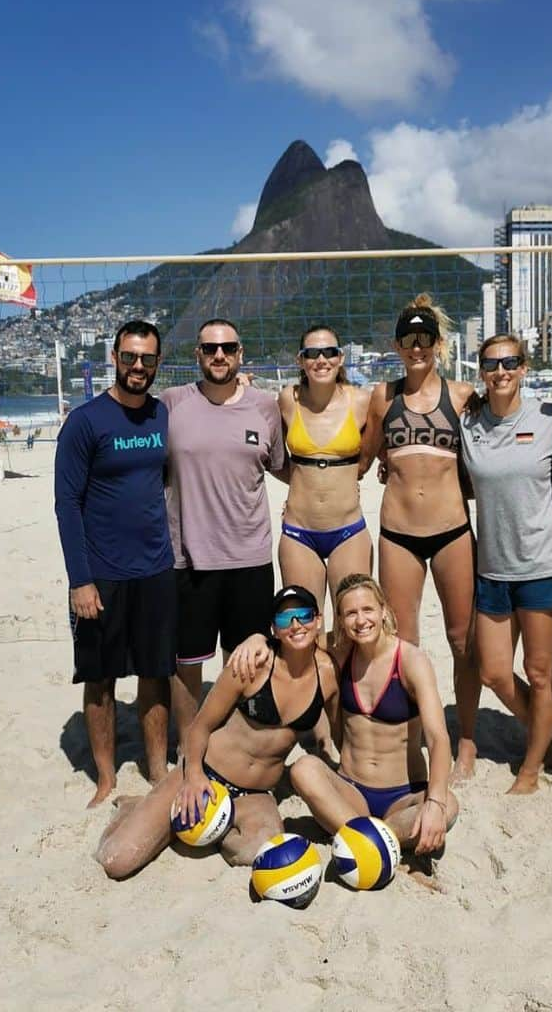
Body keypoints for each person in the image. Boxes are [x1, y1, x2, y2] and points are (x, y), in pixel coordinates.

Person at [94, 587, 339, 878]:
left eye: (303, 616)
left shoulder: (328, 674)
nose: (296, 625)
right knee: (117, 862)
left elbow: (343, 733)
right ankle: (132, 808)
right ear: (273, 628)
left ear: (319, 620)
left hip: (256, 793)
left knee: (262, 851)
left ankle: (210, 829)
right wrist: (194, 776)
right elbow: (201, 726)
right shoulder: (252, 665)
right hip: (205, 773)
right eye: (285, 619)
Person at [231, 574, 457, 856]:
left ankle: (366, 841)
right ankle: (378, 844)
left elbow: (437, 738)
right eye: (350, 613)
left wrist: (434, 803)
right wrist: (258, 639)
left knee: (448, 805)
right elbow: (295, 636)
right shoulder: (340, 652)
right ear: (340, 620)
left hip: (403, 795)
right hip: (351, 792)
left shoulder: (411, 661)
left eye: (367, 610)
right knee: (303, 769)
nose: (360, 621)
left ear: (383, 610)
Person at [54, 320, 175, 807]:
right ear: (115, 358)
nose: (138, 367)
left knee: (154, 673)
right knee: (100, 680)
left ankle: (157, 766)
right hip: (101, 575)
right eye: (129, 357)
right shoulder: (85, 422)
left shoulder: (162, 416)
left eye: (147, 359)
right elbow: (67, 505)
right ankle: (105, 777)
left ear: (157, 363)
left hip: (156, 569)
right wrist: (80, 581)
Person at [361, 295, 479, 779]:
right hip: (399, 534)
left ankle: (466, 738)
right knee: (404, 642)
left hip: (452, 531)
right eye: (408, 338)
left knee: (461, 638)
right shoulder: (382, 397)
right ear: (396, 344)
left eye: (424, 338)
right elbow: (363, 456)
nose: (416, 346)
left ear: (438, 343)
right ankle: (412, 737)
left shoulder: (462, 395)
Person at [159, 319, 286, 746]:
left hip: (250, 558)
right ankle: (188, 745)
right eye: (210, 348)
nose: (219, 355)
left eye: (227, 348)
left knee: (245, 660)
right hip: (189, 558)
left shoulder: (264, 406)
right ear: (197, 354)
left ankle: (233, 743)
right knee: (186, 663)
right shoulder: (171, 403)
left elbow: (285, 468)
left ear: (240, 353)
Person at [459, 333, 552, 794]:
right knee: (495, 674)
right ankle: (546, 735)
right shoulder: (470, 423)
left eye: (510, 362)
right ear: (481, 371)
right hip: (492, 568)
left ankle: (532, 766)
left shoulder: (546, 418)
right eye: (491, 364)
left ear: (525, 367)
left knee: (540, 673)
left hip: (541, 564)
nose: (501, 371)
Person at [279, 323, 372, 608]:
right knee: (304, 631)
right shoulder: (287, 399)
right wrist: (299, 483)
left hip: (348, 530)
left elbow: (372, 453)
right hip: (298, 531)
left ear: (340, 358)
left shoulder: (361, 401)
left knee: (354, 627)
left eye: (329, 352)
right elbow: (274, 458)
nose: (321, 360)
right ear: (300, 360)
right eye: (312, 353)